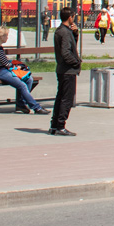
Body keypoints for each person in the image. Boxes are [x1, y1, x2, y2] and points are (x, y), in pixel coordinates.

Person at [0, 26, 47, 115]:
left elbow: (6, 63)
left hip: (4, 70)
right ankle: (36, 107)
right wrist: (15, 66)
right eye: (6, 36)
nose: (7, 38)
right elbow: (6, 64)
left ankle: (21, 103)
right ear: (1, 36)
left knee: (29, 79)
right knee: (22, 85)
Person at [49, 7, 80, 136]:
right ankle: (61, 125)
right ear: (70, 17)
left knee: (60, 97)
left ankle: (54, 125)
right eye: (74, 16)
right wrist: (76, 62)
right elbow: (66, 52)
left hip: (62, 69)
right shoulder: (65, 32)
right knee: (66, 99)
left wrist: (75, 34)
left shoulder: (61, 31)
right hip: (68, 71)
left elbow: (70, 46)